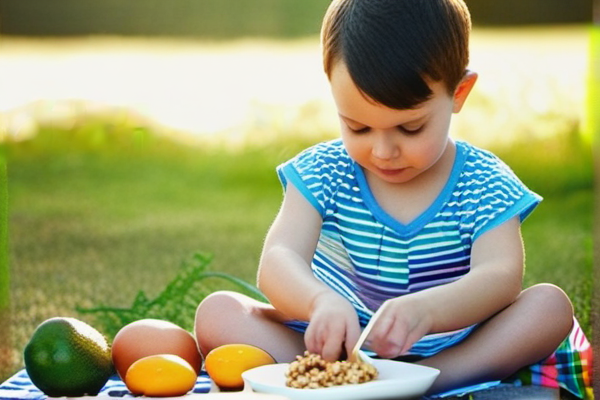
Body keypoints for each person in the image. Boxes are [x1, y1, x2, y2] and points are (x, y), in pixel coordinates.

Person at [195, 0, 593, 397]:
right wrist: (320, 302)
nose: (383, 151)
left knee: (547, 307)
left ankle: (434, 378)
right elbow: (279, 257)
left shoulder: (483, 183)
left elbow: (501, 276)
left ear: (459, 92)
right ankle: (337, 376)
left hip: (454, 345)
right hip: (336, 346)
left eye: (410, 127)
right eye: (358, 127)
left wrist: (427, 310)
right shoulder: (323, 172)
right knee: (219, 313)